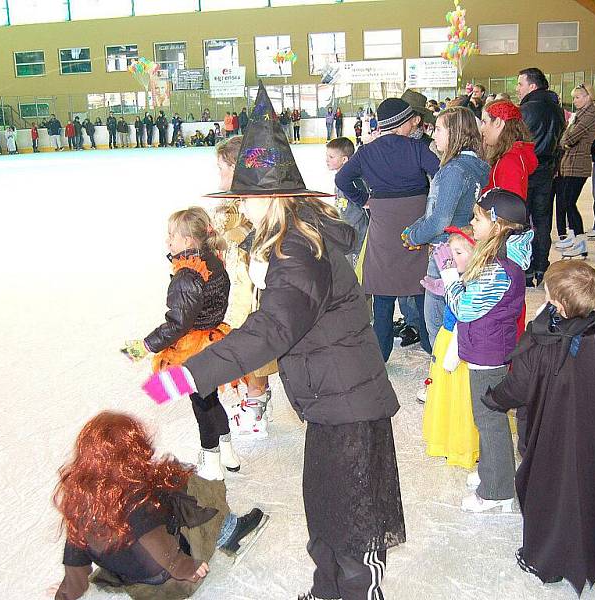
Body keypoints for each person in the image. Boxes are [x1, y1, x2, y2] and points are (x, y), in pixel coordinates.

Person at [142, 83, 405, 600]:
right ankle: (327, 590)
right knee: (326, 510)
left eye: (244, 196)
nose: (239, 205)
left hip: (347, 402)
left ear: (267, 196)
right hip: (331, 398)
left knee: (351, 524)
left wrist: (188, 374)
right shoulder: (293, 237)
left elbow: (271, 329)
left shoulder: (296, 251)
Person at [483, 261, 595, 599]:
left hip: (554, 437)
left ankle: (547, 559)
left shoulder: (543, 342)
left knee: (551, 494)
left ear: (559, 304)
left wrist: (493, 398)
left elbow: (518, 387)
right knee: (593, 490)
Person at [50, 411, 268, 600]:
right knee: (196, 486)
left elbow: (75, 559)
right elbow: (156, 542)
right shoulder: (135, 499)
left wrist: (66, 593)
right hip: (169, 583)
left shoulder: (79, 505)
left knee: (170, 480)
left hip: (132, 579)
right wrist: (184, 567)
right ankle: (229, 532)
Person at [121, 207, 239, 480]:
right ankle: (228, 451)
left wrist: (144, 346)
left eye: (172, 236)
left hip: (194, 348)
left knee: (202, 405)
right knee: (211, 398)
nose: (167, 241)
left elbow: (178, 323)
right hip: (214, 339)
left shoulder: (187, 276)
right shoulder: (212, 261)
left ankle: (211, 463)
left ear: (188, 241)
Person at [436, 188, 533, 513]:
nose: (472, 224)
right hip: (490, 347)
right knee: (488, 417)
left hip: (488, 354)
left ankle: (498, 490)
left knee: (489, 419)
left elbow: (464, 306)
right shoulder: (498, 259)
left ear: (497, 224)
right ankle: (494, 470)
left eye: (478, 218)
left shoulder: (497, 268)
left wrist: (449, 273)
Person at [336, 98, 441, 361]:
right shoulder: (418, 148)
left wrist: (364, 200)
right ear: (403, 123)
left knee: (383, 296)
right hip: (415, 229)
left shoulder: (367, 152)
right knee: (421, 291)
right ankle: (432, 350)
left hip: (383, 228)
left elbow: (342, 179)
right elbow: (439, 174)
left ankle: (380, 355)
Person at [404, 106, 490, 348]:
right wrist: (417, 227)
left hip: (447, 253)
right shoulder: (473, 166)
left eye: (439, 129)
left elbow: (441, 220)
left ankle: (442, 380)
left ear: (456, 133)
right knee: (451, 322)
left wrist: (414, 236)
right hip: (463, 248)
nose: (434, 135)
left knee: (437, 324)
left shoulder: (454, 170)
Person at [212, 135, 276, 439]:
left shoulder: (250, 206)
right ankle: (257, 396)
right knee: (244, 345)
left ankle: (255, 404)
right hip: (239, 287)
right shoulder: (233, 204)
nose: (219, 176)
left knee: (251, 347)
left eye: (223, 169)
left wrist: (226, 227)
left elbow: (251, 242)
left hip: (251, 292)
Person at [421, 226, 480, 468]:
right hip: (447, 339)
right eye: (450, 252)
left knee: (461, 397)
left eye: (458, 252)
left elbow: (464, 309)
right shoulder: (460, 277)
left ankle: (463, 445)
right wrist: (444, 287)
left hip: (462, 346)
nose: (451, 259)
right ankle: (446, 438)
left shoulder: (477, 280)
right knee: (446, 393)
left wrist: (450, 281)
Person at [516, 67, 565, 287]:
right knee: (543, 219)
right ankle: (542, 266)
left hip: (527, 169)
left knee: (523, 220)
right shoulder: (557, 109)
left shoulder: (527, 109)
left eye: (520, 84)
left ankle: (525, 269)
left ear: (532, 86)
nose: (518, 89)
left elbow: (515, 140)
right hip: (547, 170)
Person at [553, 83, 595, 259]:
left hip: (578, 165)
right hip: (571, 163)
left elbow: (570, 137)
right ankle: (574, 236)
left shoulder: (589, 116)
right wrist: (565, 138)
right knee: (566, 202)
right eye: (574, 97)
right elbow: (567, 135)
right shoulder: (581, 114)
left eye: (578, 97)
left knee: (569, 203)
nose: (574, 101)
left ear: (588, 97)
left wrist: (565, 139)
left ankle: (580, 242)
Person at [479, 100, 538, 200]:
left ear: (498, 122)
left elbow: (509, 208)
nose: (482, 128)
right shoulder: (510, 155)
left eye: (484, 122)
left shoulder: (510, 160)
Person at [326, 137, 369, 269]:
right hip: (345, 234)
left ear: (344, 159)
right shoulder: (339, 179)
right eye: (327, 156)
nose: (327, 160)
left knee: (356, 269)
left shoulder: (354, 181)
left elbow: (367, 207)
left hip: (358, 236)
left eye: (331, 157)